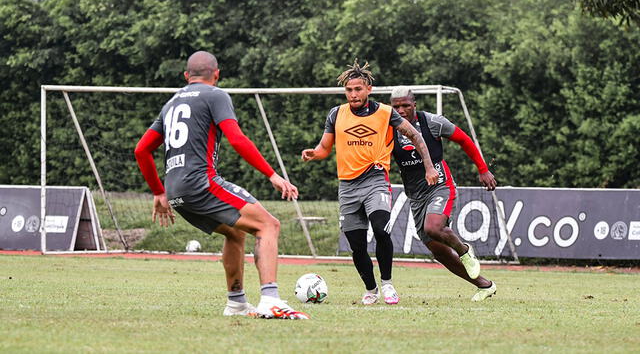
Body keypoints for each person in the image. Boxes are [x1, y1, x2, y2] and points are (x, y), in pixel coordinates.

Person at [134, 50, 309, 319]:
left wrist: (158, 191)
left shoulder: (170, 104)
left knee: (235, 232)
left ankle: (237, 303)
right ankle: (270, 299)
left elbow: (141, 150)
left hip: (176, 190)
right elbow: (237, 139)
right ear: (217, 74)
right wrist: (272, 174)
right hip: (201, 183)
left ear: (186, 76)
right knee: (268, 225)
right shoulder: (216, 95)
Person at [301, 60, 440, 305]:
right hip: (347, 186)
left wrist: (429, 166)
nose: (353, 94)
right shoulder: (336, 113)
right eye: (349, 90)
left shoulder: (386, 113)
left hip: (375, 179)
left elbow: (415, 136)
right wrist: (314, 153)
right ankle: (371, 289)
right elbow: (324, 148)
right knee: (356, 244)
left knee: (380, 228)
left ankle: (387, 284)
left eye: (358, 89)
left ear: (368, 90)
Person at [389, 86, 497, 301]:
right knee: (438, 251)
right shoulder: (387, 127)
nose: (401, 110)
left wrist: (483, 169)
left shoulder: (433, 122)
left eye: (405, 105)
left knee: (434, 227)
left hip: (440, 185)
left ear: (414, 105)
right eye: (396, 106)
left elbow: (465, 140)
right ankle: (485, 285)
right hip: (416, 195)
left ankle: (465, 251)